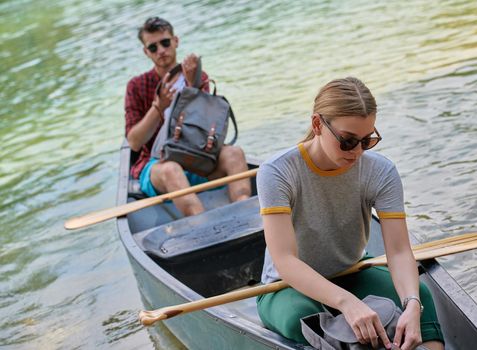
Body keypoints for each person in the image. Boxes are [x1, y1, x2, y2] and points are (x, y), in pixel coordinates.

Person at [256, 77, 445, 350]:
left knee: (421, 295)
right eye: (347, 141)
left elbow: (400, 251)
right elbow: (285, 260)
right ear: (317, 124)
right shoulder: (276, 171)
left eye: (367, 141)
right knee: (304, 318)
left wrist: (412, 304)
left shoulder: (381, 172)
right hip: (286, 286)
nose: (357, 152)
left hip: (352, 270)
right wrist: (347, 303)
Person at [125, 17, 251, 216]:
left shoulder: (198, 76)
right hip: (157, 164)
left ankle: (246, 213)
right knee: (171, 169)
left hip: (199, 156)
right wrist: (158, 108)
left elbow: (206, 130)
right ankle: (201, 225)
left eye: (165, 43)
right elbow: (134, 142)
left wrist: (192, 88)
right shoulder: (137, 86)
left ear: (175, 41)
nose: (161, 51)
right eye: (153, 47)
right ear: (146, 52)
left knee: (234, 153)